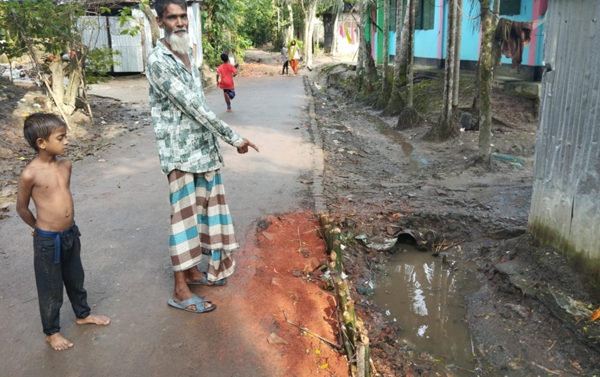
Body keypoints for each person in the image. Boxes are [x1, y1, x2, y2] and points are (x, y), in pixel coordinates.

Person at [147, 0, 259, 314]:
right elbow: (193, 108)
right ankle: (180, 290)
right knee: (184, 222)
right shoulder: (159, 61)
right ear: (160, 23)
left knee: (205, 216)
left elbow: (200, 104)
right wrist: (234, 138)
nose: (180, 22)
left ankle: (195, 271)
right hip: (180, 155)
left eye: (183, 16)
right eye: (172, 17)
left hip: (204, 151)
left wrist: (219, 141)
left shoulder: (188, 55)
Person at [16, 114, 110, 351]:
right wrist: (36, 227)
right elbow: (21, 207)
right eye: (61, 137)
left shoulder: (65, 165)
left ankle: (83, 314)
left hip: (70, 234)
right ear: (41, 143)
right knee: (51, 288)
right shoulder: (30, 174)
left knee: (76, 278)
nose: (67, 141)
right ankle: (52, 332)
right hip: (48, 240)